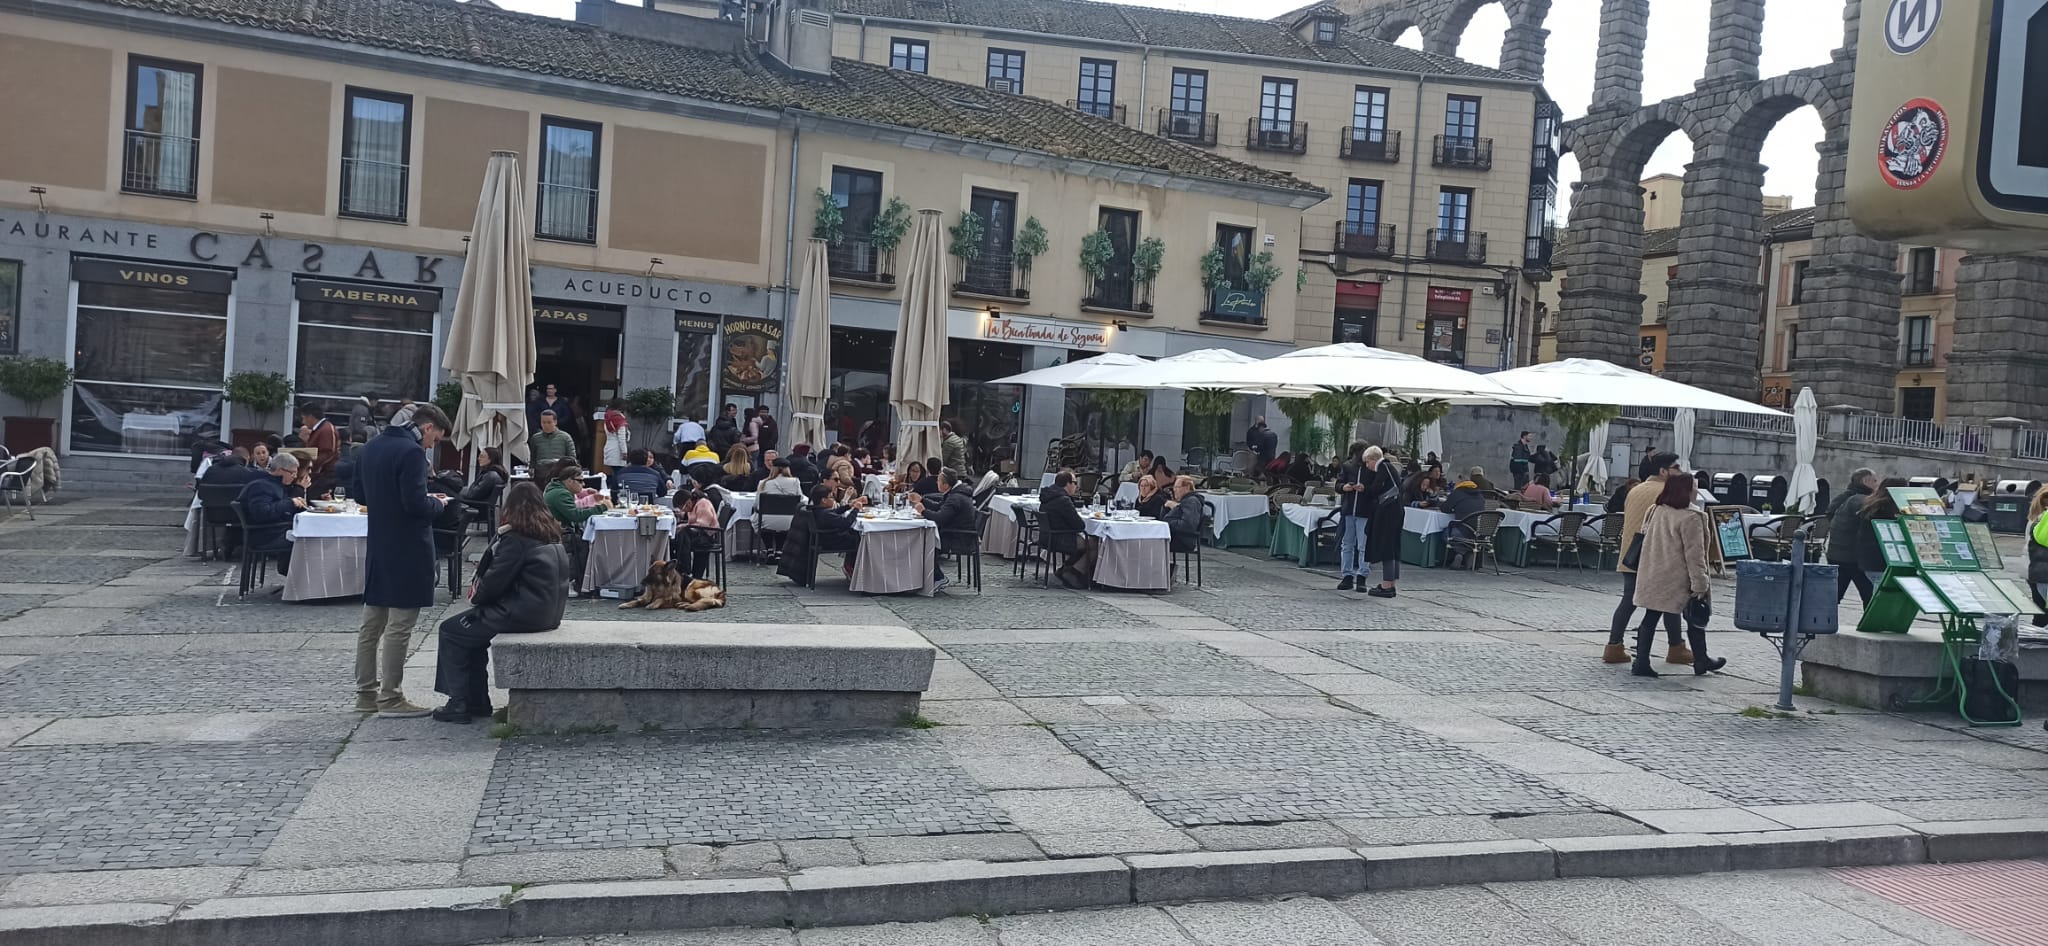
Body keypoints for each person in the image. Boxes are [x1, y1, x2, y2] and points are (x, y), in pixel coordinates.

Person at [431, 482, 569, 724]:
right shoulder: (551, 534)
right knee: (469, 636)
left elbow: (492, 587)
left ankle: (460, 702)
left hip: (521, 614)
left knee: (451, 631)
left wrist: (478, 596)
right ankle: (476, 700)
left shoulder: (516, 539)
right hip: (546, 613)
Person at [348, 403, 452, 718]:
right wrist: (437, 504)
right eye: (435, 441)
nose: (431, 446)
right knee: (400, 624)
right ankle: (391, 697)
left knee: (372, 623)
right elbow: (415, 505)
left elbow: (360, 496)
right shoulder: (410, 453)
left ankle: (366, 694)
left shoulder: (371, 447)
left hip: (379, 543)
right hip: (408, 546)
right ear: (428, 427)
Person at [1628, 474, 1725, 677]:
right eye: (1694, 487)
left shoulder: (1656, 509)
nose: (1697, 491)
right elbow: (1694, 554)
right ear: (1686, 490)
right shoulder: (1691, 517)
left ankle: (1641, 661)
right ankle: (1701, 659)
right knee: (1695, 616)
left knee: (1651, 616)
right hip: (1678, 577)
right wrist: (1700, 583)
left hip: (1653, 572)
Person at [1605, 453, 1686, 665]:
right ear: (1663, 471)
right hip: (1656, 556)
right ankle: (1676, 647)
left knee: (1628, 600)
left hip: (1630, 554)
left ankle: (1613, 646)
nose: (1680, 472)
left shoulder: (1635, 490)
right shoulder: (1667, 492)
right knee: (1670, 600)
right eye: (1676, 467)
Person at [544, 463, 611, 595]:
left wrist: (586, 496)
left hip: (556, 528)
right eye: (580, 481)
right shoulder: (561, 494)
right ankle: (570, 581)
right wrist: (602, 507)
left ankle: (581, 581)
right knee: (584, 543)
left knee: (584, 539)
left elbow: (574, 508)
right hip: (558, 532)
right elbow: (575, 516)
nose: (583, 484)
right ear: (569, 481)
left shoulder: (559, 490)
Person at [237, 452, 305, 579]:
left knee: (306, 535)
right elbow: (262, 514)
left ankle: (296, 579)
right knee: (306, 540)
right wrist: (290, 503)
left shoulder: (273, 484)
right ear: (280, 470)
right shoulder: (261, 486)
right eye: (292, 472)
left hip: (272, 530)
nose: (294, 476)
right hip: (263, 535)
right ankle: (297, 581)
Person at [911, 467, 976, 592]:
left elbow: (940, 518)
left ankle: (938, 578)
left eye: (939, 481)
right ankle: (927, 578)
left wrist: (923, 511)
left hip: (958, 537)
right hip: (956, 533)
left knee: (923, 543)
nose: (937, 483)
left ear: (946, 484)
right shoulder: (954, 494)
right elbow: (939, 507)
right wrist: (922, 500)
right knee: (922, 541)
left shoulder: (955, 498)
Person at [1826, 467, 1879, 604]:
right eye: (1874, 481)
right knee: (1869, 594)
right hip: (1853, 556)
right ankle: (1871, 624)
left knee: (1834, 594)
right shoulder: (1862, 500)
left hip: (1836, 552)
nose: (1877, 484)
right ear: (1865, 481)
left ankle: (1823, 621)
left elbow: (1829, 514)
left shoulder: (1843, 496)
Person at [1039, 471, 1100, 590]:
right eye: (1075, 483)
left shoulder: (1048, 495)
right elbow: (1079, 525)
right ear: (1068, 484)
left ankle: (1066, 568)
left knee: (1086, 540)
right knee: (1095, 544)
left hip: (1047, 536)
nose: (1076, 486)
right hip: (1060, 538)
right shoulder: (1063, 500)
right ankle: (1075, 571)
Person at [1361, 446, 1404, 598]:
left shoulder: (1383, 467)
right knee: (1393, 546)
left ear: (1373, 459)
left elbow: (1376, 489)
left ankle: (1386, 585)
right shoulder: (1390, 467)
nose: (1367, 466)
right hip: (1396, 509)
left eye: (1367, 462)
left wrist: (1364, 488)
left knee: (1387, 547)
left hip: (1388, 511)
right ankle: (1391, 583)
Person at [1857, 478, 1910, 590]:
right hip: (1883, 559)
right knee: (1881, 593)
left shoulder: (1871, 505)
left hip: (1869, 560)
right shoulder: (1890, 507)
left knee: (1879, 590)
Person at [1334, 442, 1373, 591]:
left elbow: (1376, 488)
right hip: (1348, 510)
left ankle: (1362, 576)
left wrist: (1366, 489)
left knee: (1363, 546)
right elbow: (1338, 484)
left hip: (1364, 511)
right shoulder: (1347, 466)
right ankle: (1347, 576)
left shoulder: (1370, 468)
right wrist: (1344, 487)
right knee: (1347, 544)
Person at [809, 483, 865, 576]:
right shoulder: (825, 514)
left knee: (854, 533)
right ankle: (853, 568)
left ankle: (849, 566)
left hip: (825, 538)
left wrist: (849, 505)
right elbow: (846, 523)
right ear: (824, 500)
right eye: (831, 497)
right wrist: (856, 509)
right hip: (832, 541)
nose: (833, 500)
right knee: (860, 538)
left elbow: (835, 512)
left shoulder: (818, 510)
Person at [672, 486, 721, 579]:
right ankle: (681, 567)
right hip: (699, 534)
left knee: (683, 534)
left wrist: (685, 525)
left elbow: (702, 524)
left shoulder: (702, 504)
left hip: (707, 536)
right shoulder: (693, 506)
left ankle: (684, 569)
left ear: (688, 503)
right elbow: (691, 519)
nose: (684, 511)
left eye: (683, 508)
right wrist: (682, 517)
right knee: (679, 538)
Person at [1443, 478, 1488, 568]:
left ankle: (1460, 553)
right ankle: (1467, 554)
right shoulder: (1480, 495)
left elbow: (1445, 508)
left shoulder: (1457, 493)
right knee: (1464, 535)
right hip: (1480, 532)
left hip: (1463, 529)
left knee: (1446, 532)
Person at [296, 402, 340, 496]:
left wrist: (311, 465)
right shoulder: (321, 429)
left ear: (311, 417)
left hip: (323, 476)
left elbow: (329, 452)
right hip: (319, 475)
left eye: (304, 418)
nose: (303, 422)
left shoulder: (326, 429)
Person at [1161, 474, 1204, 556]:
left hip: (1183, 540)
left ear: (1187, 487)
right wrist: (1166, 507)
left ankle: (1163, 567)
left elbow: (1188, 525)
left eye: (1177, 487)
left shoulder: (1192, 501)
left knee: (1150, 542)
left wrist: (1167, 523)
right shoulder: (1184, 501)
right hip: (1175, 536)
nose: (1174, 490)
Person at [598, 402, 629, 475]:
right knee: (619, 473)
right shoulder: (619, 420)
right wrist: (624, 452)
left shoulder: (608, 418)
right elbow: (622, 438)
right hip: (617, 449)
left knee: (614, 472)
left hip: (609, 446)